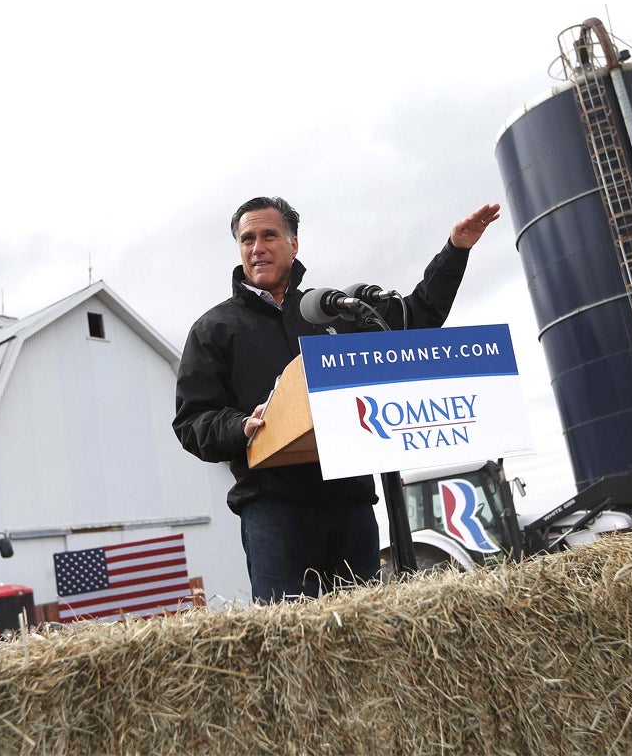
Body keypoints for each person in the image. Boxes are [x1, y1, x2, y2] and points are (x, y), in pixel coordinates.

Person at [172, 196, 500, 603]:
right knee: (291, 640)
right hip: (274, 511)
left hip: (350, 505)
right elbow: (191, 421)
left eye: (269, 235)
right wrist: (239, 425)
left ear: (293, 244)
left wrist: (455, 250)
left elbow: (415, 320)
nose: (257, 247)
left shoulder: (333, 313)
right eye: (247, 238)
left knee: (365, 635)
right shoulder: (213, 329)